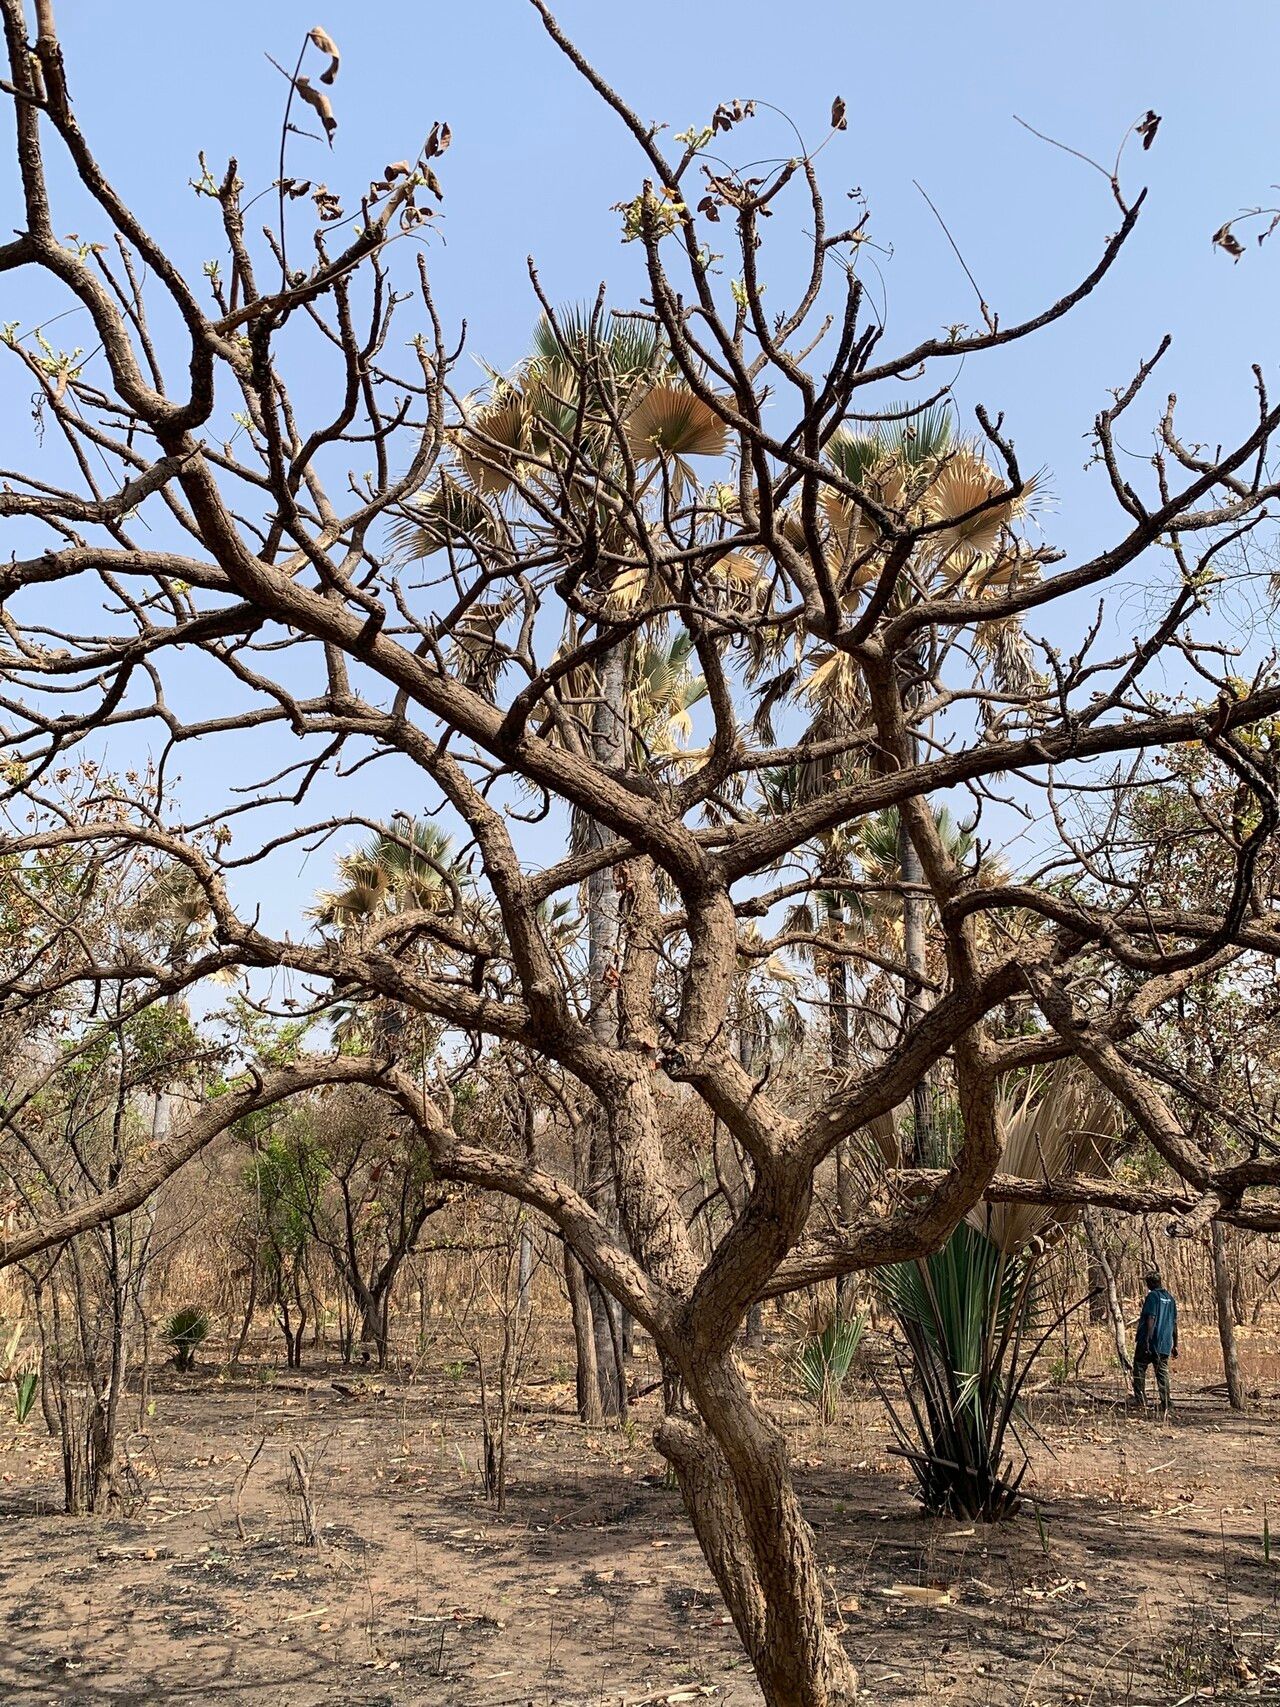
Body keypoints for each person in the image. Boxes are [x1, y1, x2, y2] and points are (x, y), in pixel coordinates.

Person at [1132, 1269, 1178, 1415]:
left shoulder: (1152, 1296)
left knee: (1139, 1367)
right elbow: (1174, 1323)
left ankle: (1140, 1400)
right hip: (1164, 1343)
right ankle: (1166, 1402)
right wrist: (1175, 1344)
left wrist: (1147, 1339)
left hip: (1150, 1341)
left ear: (1151, 1283)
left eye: (1146, 1282)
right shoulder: (1170, 1299)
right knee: (1162, 1373)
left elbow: (1151, 1318)